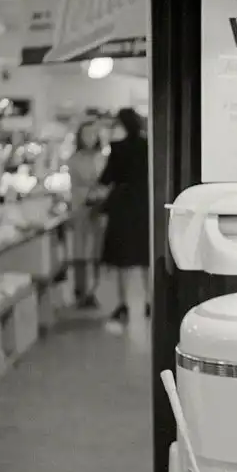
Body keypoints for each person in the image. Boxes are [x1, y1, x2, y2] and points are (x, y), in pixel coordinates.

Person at [96, 108, 149, 327]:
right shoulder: (147, 146)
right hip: (144, 205)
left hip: (122, 206)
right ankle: (150, 301)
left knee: (122, 259)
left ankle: (123, 304)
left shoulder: (117, 149)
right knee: (145, 257)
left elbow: (106, 178)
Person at [68, 121, 107, 308]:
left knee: (97, 252)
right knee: (80, 252)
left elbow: (106, 184)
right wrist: (90, 194)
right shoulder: (74, 160)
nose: (89, 138)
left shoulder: (102, 158)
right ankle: (81, 291)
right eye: (86, 134)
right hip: (81, 209)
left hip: (99, 210)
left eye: (93, 134)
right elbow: (79, 186)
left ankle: (94, 290)